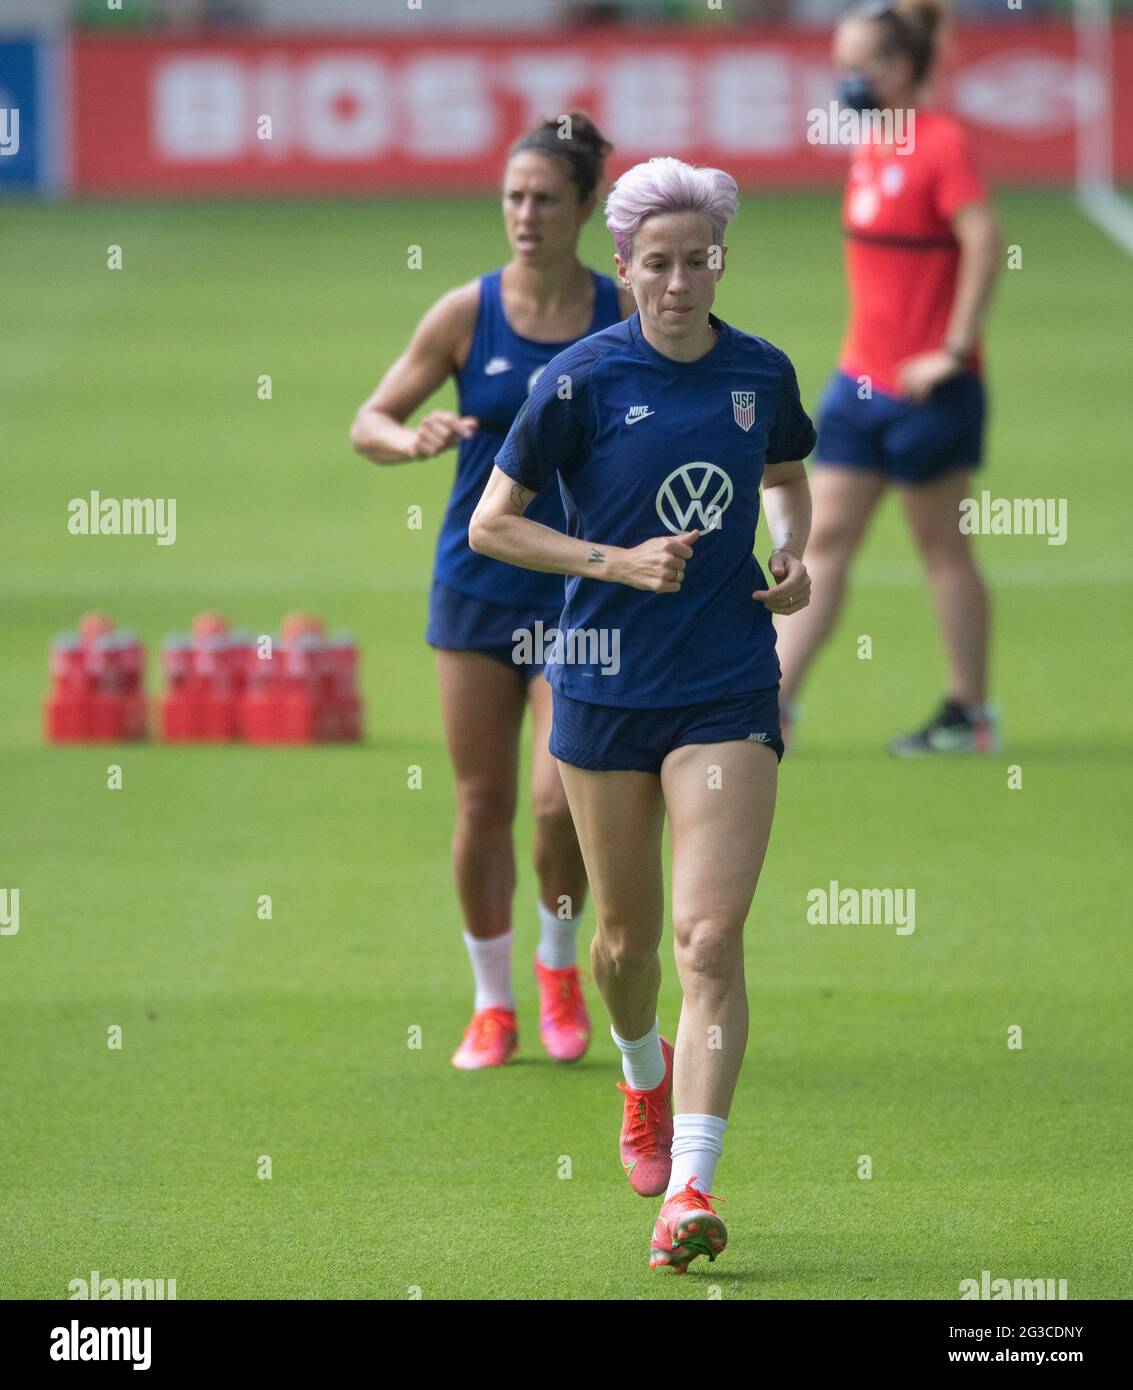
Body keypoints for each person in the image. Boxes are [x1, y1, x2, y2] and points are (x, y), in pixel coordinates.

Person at [469, 156, 816, 1272]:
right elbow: (493, 525)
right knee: (622, 946)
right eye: (656, 264)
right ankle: (638, 1074)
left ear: (720, 261)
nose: (678, 282)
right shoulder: (573, 383)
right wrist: (612, 561)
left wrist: (792, 549)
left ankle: (691, 1185)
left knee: (706, 938)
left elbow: (786, 472)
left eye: (697, 261)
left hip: (724, 686)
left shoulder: (758, 371)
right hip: (601, 684)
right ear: (620, 268)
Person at [350, 113, 634, 1069]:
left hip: (579, 596)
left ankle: (559, 970)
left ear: (587, 207)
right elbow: (371, 419)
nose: (524, 214)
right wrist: (409, 439)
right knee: (482, 805)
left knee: (558, 805)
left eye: (545, 199)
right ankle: (490, 1000)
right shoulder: (466, 313)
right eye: (512, 196)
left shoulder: (621, 314)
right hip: (475, 588)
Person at [776, 0, 1003, 754]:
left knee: (940, 547)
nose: (844, 80)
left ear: (899, 69)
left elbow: (983, 239)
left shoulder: (941, 144)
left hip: (927, 391)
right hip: (857, 384)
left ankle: (968, 714)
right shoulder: (873, 140)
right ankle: (770, 704)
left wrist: (952, 346)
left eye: (858, 64)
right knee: (821, 536)